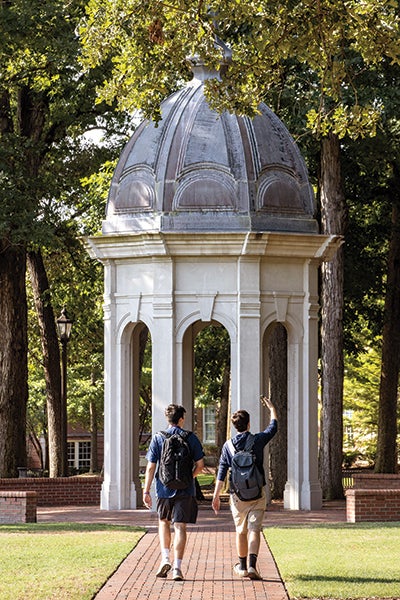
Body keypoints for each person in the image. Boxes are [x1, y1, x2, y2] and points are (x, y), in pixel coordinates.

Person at [212, 396, 278, 580]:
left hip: (237, 495)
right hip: (257, 492)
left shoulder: (228, 446)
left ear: (235, 426)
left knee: (241, 530)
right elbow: (273, 427)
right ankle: (252, 566)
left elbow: (222, 472)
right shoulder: (257, 440)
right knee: (255, 529)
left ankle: (241, 567)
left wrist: (216, 496)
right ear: (248, 424)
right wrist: (272, 408)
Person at [143, 404, 205, 581]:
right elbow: (200, 465)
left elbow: (150, 467)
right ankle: (177, 568)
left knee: (164, 522)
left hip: (163, 489)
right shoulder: (190, 437)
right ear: (181, 419)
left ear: (167, 419)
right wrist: (189, 478)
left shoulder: (158, 438)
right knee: (180, 527)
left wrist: (146, 490)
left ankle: (165, 558)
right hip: (185, 490)